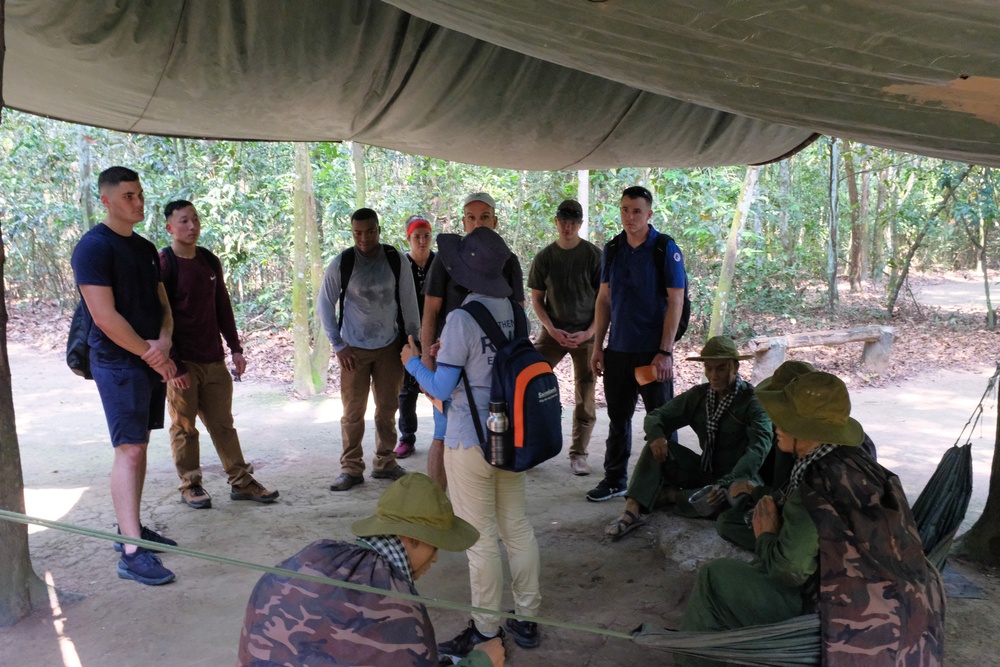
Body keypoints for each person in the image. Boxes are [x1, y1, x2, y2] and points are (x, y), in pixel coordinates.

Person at [678, 371, 944, 667]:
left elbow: (789, 570)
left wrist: (766, 535)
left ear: (803, 429)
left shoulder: (813, 486)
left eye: (784, 419)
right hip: (908, 610)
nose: (776, 425)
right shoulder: (861, 463)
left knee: (715, 577)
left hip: (849, 621)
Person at [403, 227, 542, 662]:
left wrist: (412, 362)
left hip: (469, 442)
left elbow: (442, 388)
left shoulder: (461, 318)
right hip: (511, 439)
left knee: (480, 539)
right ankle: (528, 618)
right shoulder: (516, 314)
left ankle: (485, 630)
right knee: (517, 528)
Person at [238, 473, 505, 666]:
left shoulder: (317, 552)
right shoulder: (397, 604)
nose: (435, 559)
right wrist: (480, 661)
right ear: (413, 538)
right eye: (435, 546)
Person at [70, 166, 178, 586]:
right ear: (107, 200)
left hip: (149, 357)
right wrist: (152, 354)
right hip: (118, 363)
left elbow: (161, 302)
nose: (138, 202)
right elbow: (104, 316)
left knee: (140, 444)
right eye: (129, 196)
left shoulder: (148, 248)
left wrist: (165, 339)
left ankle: (128, 528)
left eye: (139, 194)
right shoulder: (93, 248)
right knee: (128, 449)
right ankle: (132, 553)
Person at [159, 200, 279, 509]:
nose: (192, 226)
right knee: (184, 427)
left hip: (213, 360)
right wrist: (175, 364)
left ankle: (241, 482)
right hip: (182, 364)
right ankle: (191, 484)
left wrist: (235, 348)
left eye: (195, 219)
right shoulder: (165, 263)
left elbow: (222, 307)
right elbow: (159, 316)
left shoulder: (209, 261)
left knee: (223, 425)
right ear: (169, 227)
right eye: (184, 221)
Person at [604, 336, 772, 540]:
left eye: (720, 368)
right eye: (708, 369)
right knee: (654, 447)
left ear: (735, 367)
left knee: (740, 501)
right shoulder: (699, 396)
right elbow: (657, 416)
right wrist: (657, 436)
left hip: (738, 475)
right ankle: (632, 510)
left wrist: (727, 483)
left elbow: (758, 449)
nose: (714, 375)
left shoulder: (752, 403)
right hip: (704, 469)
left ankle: (673, 496)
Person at [587, 185, 687, 502]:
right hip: (619, 351)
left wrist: (666, 352)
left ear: (649, 215)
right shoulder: (613, 249)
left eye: (637, 211)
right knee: (618, 419)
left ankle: (668, 483)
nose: (629, 217)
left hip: (651, 354)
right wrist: (597, 345)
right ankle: (615, 478)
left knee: (660, 420)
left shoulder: (664, 248)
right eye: (625, 210)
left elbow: (676, 301)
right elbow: (604, 299)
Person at [715, 360, 880, 551]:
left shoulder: (816, 464)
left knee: (728, 524)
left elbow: (793, 564)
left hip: (826, 546)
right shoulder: (827, 438)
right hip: (823, 531)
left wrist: (767, 536)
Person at [419, 192, 525, 491]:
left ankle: (481, 501)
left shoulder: (508, 261)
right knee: (444, 433)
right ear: (463, 221)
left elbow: (517, 317)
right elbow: (430, 310)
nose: (477, 224)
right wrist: (427, 360)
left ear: (496, 221)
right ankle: (437, 509)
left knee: (497, 432)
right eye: (471, 218)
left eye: (484, 217)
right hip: (450, 361)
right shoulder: (446, 261)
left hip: (493, 368)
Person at [318, 208, 421, 491]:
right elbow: (324, 304)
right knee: (353, 411)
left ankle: (385, 462)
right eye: (358, 233)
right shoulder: (343, 262)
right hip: (353, 349)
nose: (364, 239)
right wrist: (337, 344)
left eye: (370, 232)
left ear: (379, 230)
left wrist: (413, 341)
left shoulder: (394, 259)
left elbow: (409, 300)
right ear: (352, 233)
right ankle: (351, 468)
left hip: (389, 346)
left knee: (387, 408)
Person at [528, 199, 601, 476]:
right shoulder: (545, 257)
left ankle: (579, 454)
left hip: (586, 332)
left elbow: (606, 300)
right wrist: (552, 329)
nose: (568, 227)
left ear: (580, 224)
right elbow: (536, 300)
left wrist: (590, 333)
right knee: (529, 380)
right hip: (552, 332)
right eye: (563, 221)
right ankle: (530, 446)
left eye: (573, 222)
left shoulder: (594, 256)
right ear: (556, 222)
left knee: (586, 394)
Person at [395, 215, 436, 460]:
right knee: (407, 390)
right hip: (409, 335)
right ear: (408, 239)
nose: (422, 241)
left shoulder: (441, 263)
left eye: (426, 236)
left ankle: (446, 435)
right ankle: (407, 438)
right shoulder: (401, 264)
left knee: (440, 385)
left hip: (438, 336)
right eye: (416, 237)